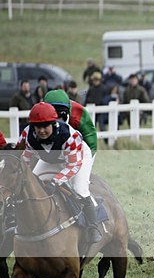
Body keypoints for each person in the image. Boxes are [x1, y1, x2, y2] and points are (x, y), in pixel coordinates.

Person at [20, 103, 102, 243]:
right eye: (37, 127)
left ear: (53, 123)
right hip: (51, 158)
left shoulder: (69, 136)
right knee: (33, 186)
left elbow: (73, 165)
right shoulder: (27, 135)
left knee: (79, 189)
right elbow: (23, 160)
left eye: (45, 126)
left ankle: (94, 226)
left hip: (77, 157)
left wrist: (55, 181)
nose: (41, 131)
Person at [43, 89, 98, 155]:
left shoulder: (79, 114)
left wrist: (89, 158)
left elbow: (91, 140)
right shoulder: (40, 114)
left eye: (60, 117)